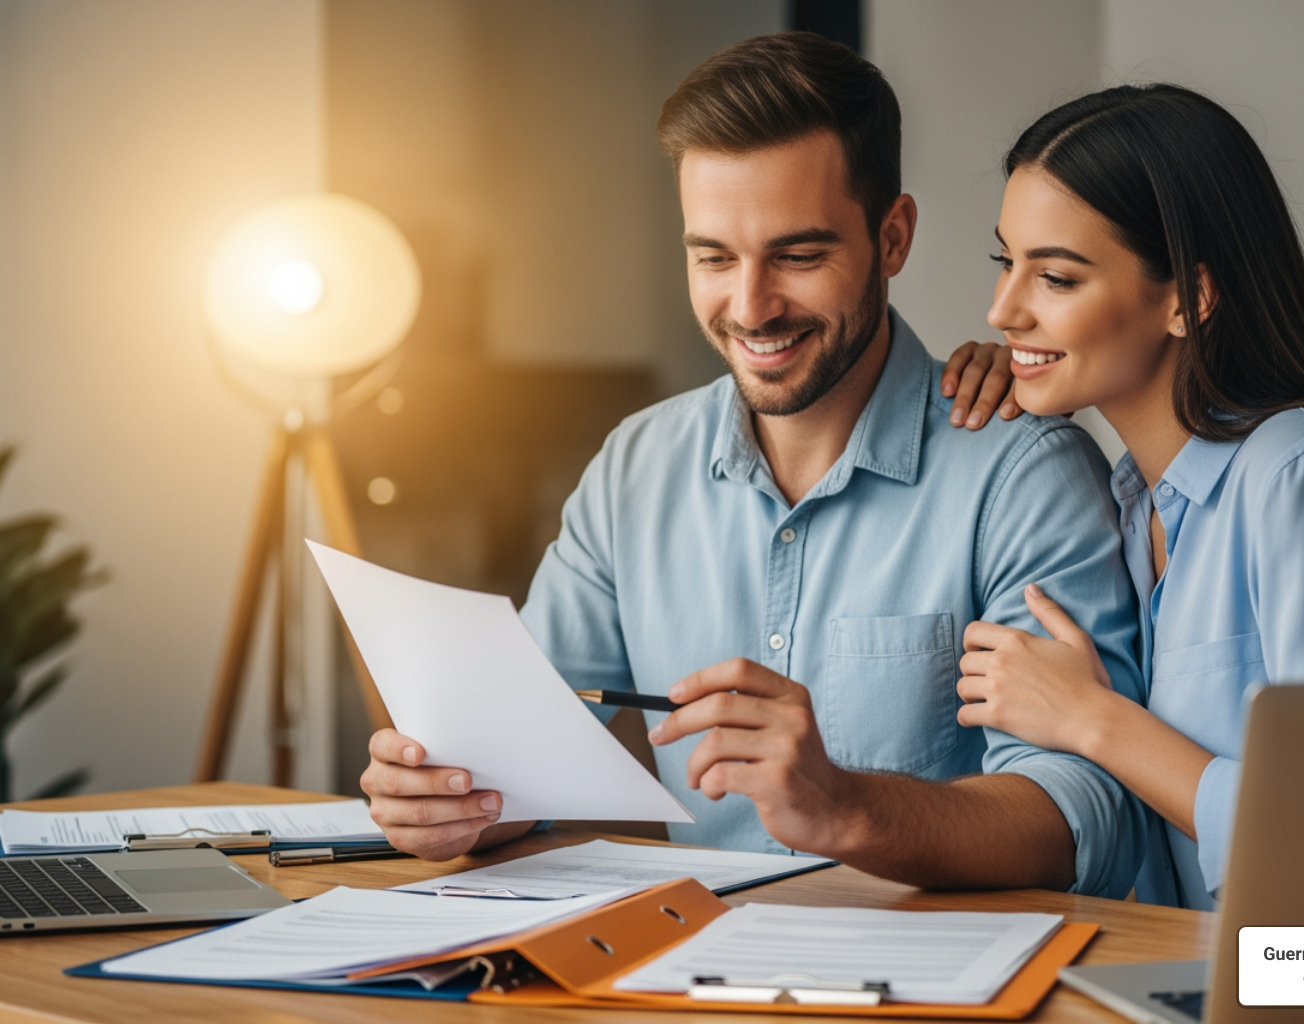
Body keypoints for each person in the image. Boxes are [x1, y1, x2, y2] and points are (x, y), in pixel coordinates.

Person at [360, 33, 1147, 895]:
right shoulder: (636, 466)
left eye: (798, 255)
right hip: (689, 969)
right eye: (713, 257)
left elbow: (1081, 820)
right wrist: (453, 799)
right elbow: (528, 753)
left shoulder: (1024, 474)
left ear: (892, 238)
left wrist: (845, 806)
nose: (750, 307)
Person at [940, 83, 1304, 909]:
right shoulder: (1135, 507)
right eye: (1006, 262)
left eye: (1054, 277)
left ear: (1188, 298)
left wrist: (1096, 722)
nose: (1002, 307)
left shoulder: (1301, 475)